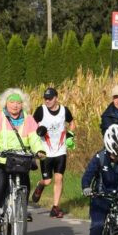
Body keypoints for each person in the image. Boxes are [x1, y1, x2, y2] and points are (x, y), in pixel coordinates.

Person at [0, 88, 46, 225]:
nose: (15, 105)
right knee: (1, 183)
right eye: (11, 102)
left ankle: (22, 208)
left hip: (21, 159)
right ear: (6, 103)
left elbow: (35, 139)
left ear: (22, 104)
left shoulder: (28, 119)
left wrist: (39, 151)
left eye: (18, 103)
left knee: (26, 185)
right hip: (1, 158)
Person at [31, 86, 75, 218]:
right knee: (48, 180)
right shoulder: (41, 110)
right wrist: (39, 131)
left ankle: (55, 207)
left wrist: (70, 136)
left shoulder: (64, 110)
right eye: (46, 99)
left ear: (56, 98)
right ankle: (40, 185)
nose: (47, 101)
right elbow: (31, 125)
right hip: (45, 151)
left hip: (60, 150)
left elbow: (72, 122)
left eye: (50, 98)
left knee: (59, 178)